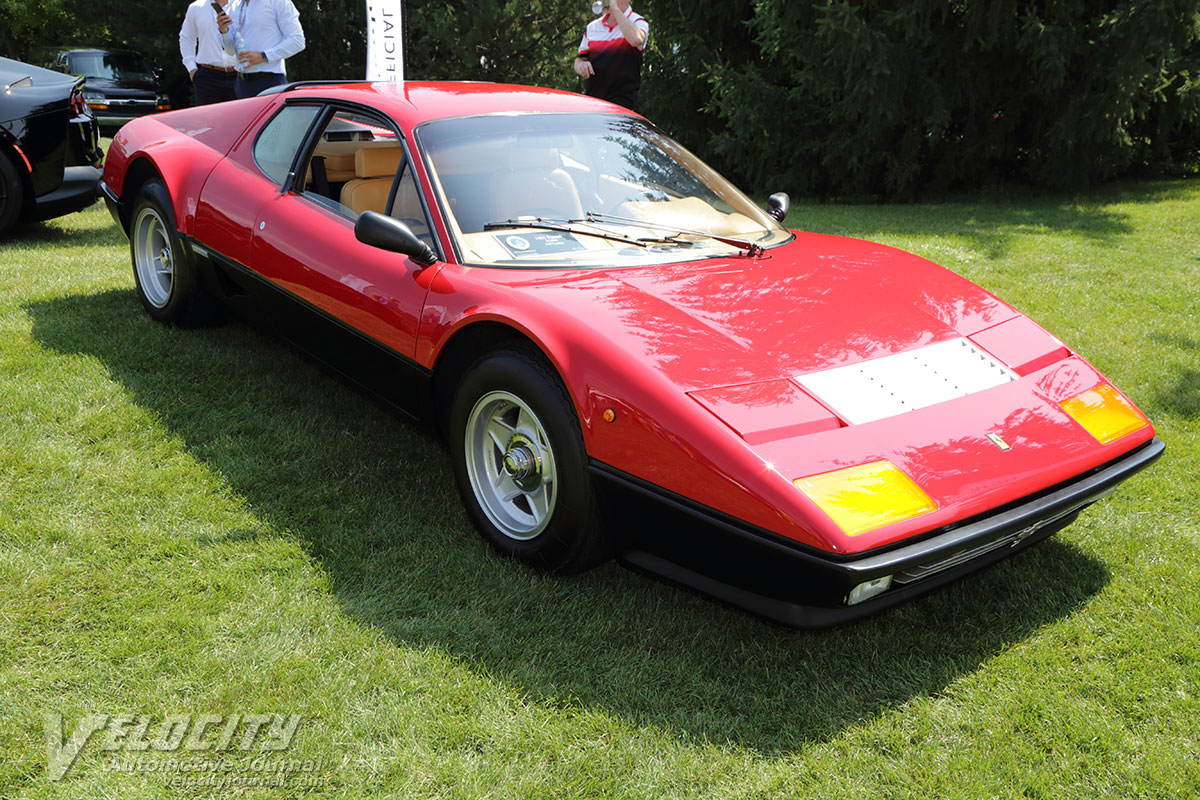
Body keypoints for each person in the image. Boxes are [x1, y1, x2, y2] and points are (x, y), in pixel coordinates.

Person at [217, 0, 305, 99]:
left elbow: (298, 41)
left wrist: (264, 56)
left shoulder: (278, 2)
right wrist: (224, 31)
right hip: (241, 83)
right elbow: (230, 51)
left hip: (270, 82)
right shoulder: (234, 7)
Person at [573, 0, 649, 112]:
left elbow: (636, 40)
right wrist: (581, 66)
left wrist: (616, 10)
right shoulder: (592, 27)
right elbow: (579, 59)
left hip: (624, 106)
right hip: (593, 104)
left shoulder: (638, 21)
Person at [179, 0, 238, 104]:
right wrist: (191, 68)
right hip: (208, 77)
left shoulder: (241, 6)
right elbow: (187, 38)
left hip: (239, 75)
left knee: (241, 114)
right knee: (207, 115)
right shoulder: (196, 7)